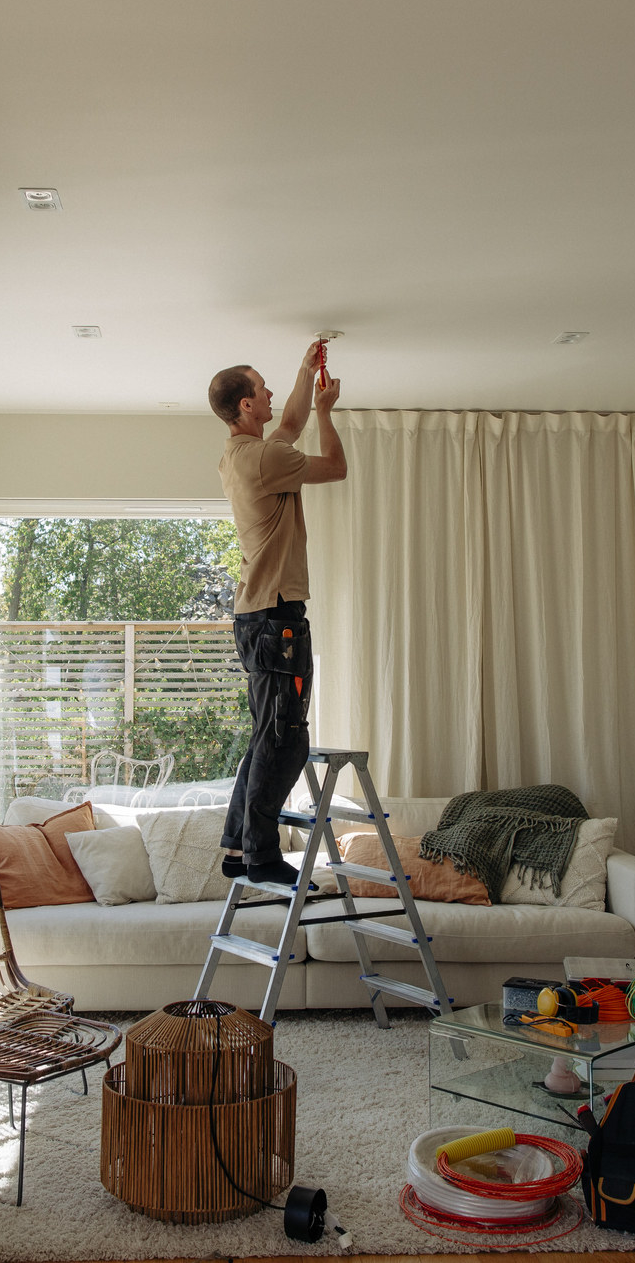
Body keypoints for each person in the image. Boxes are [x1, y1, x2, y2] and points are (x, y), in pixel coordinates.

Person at [206, 342, 347, 885]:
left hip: (259, 616)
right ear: (245, 406)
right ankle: (262, 856)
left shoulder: (242, 454)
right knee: (285, 739)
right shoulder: (266, 459)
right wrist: (328, 412)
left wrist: (303, 372)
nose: (269, 395)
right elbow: (334, 467)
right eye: (260, 388)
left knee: (267, 734)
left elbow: (288, 421)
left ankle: (240, 848)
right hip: (277, 620)